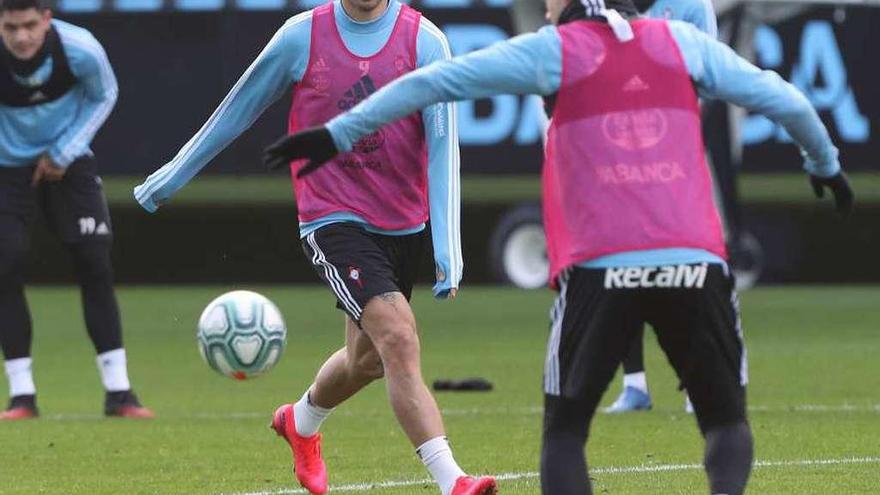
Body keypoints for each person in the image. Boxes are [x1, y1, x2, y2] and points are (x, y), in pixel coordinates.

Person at [263, 0, 853, 493]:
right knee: (727, 425)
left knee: (566, 432)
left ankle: (317, 423)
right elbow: (788, 101)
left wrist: (339, 131)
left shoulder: (556, 48)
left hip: (599, 269)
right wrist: (823, 162)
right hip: (695, 262)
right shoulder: (684, 41)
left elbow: (434, 83)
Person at [133, 1, 495, 494]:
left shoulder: (425, 40)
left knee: (366, 361)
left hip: (403, 224)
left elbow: (442, 142)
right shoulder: (300, 37)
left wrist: (447, 248)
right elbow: (235, 110)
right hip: (331, 217)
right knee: (399, 339)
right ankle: (453, 480)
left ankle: (299, 422)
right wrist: (168, 180)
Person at [0, 0, 153, 420]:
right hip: (6, 167)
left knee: (94, 262)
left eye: (30, 25)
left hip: (68, 161)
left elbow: (105, 93)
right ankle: (22, 396)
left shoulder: (80, 48)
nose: (21, 36)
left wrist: (64, 150)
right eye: (11, 27)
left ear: (47, 19)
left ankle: (119, 393)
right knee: (5, 265)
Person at [605, 0, 718, 414]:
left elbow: (706, 73)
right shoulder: (605, 6)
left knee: (682, 268)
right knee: (617, 269)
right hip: (616, 155)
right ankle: (635, 385)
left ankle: (696, 382)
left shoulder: (691, 6)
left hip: (673, 153)